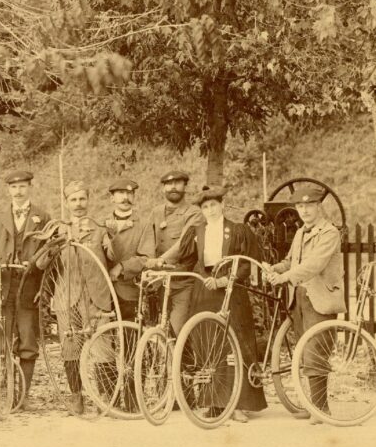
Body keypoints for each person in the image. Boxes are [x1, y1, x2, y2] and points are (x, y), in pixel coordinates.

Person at [168, 186, 265, 423]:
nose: (210, 210)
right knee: (209, 343)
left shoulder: (238, 231)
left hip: (231, 289)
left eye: (213, 205)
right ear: (201, 210)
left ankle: (240, 403)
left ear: (222, 204)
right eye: (205, 207)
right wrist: (168, 270)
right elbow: (188, 261)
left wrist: (225, 279)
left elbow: (247, 263)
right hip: (205, 290)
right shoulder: (196, 232)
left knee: (236, 343)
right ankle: (213, 401)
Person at [265, 184, 345, 423]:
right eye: (300, 206)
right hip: (299, 298)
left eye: (309, 206)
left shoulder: (329, 233)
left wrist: (285, 277)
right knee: (304, 352)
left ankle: (321, 409)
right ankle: (314, 406)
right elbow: (291, 261)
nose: (305, 211)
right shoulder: (301, 232)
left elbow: (314, 265)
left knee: (315, 353)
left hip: (321, 299)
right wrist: (275, 269)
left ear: (319, 206)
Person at [42, 180, 116, 415]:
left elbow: (114, 256)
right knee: (70, 348)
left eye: (82, 199)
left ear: (88, 200)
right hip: (66, 297)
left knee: (103, 347)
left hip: (96, 296)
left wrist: (112, 236)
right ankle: (76, 396)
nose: (78, 204)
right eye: (73, 200)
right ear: (66, 203)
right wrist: (52, 247)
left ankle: (105, 398)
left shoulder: (100, 228)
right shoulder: (58, 230)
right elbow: (42, 264)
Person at [0, 169, 51, 410]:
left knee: (28, 339)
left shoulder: (43, 215)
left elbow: (49, 251)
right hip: (3, 285)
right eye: (14, 187)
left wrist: (35, 262)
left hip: (29, 286)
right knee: (2, 337)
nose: (18, 191)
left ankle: (23, 396)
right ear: (8, 190)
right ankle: (6, 392)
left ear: (30, 187)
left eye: (22, 187)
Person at [144, 170, 205, 334]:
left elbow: (183, 244)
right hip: (159, 281)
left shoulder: (194, 213)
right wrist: (148, 263)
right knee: (155, 328)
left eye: (178, 183)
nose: (173, 187)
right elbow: (148, 240)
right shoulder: (156, 212)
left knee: (177, 329)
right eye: (169, 184)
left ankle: (181, 359)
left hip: (182, 281)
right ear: (163, 188)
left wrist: (160, 261)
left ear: (185, 186)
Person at [103, 178, 154, 322]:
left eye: (130, 193)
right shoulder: (101, 223)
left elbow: (147, 257)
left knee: (130, 335)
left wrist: (122, 267)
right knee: (104, 337)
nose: (125, 197)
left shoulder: (144, 224)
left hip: (129, 291)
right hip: (102, 292)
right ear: (112, 198)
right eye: (120, 193)